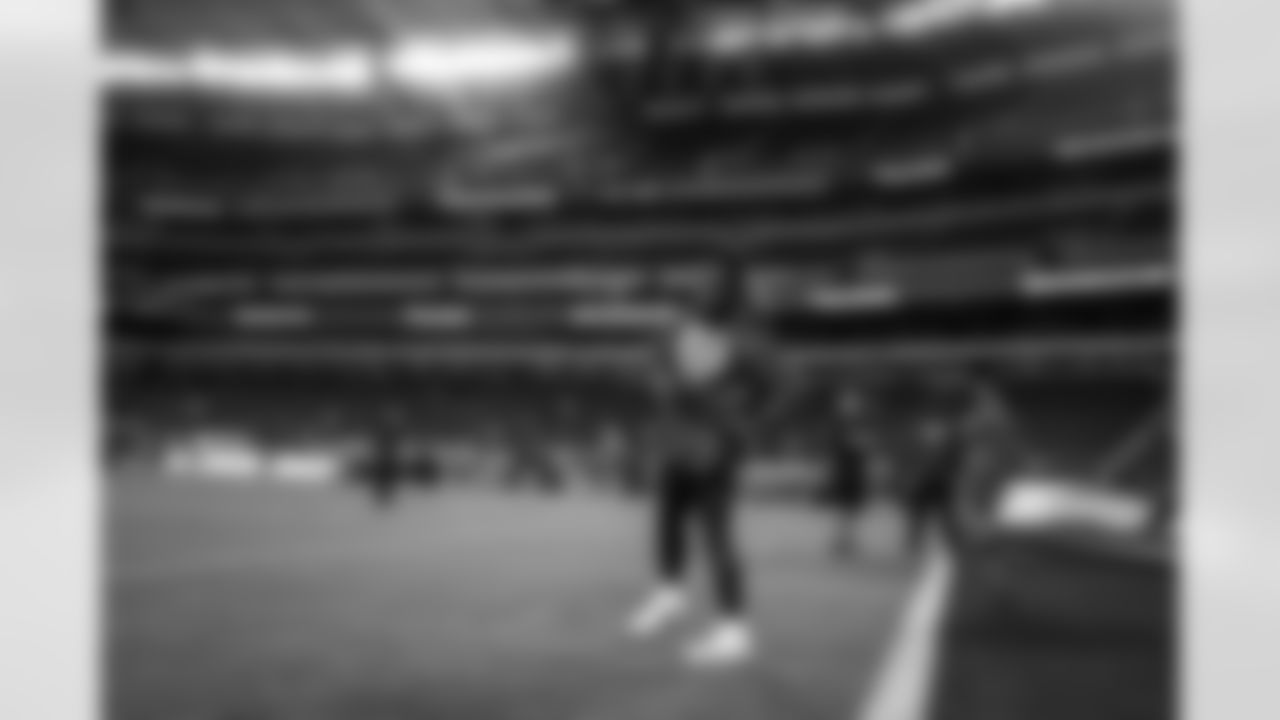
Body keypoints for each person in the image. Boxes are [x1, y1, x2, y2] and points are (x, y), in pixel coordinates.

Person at [625, 274, 774, 668]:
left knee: (717, 537)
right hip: (685, 444)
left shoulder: (733, 344)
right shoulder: (690, 338)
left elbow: (764, 388)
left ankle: (733, 629)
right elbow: (663, 381)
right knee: (668, 520)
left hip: (713, 448)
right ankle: (670, 594)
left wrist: (740, 423)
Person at [827, 391, 873, 560]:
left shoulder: (857, 426)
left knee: (851, 511)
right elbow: (843, 450)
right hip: (846, 474)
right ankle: (843, 541)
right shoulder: (840, 428)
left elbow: (861, 451)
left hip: (854, 473)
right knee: (846, 510)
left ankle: (845, 540)